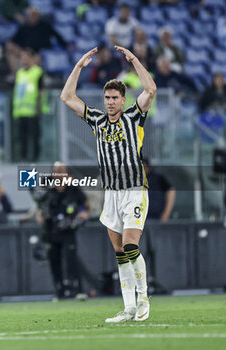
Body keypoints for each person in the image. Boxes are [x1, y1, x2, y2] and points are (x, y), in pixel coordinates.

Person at [60, 45, 157, 322]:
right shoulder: (97, 121)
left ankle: (143, 298)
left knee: (129, 245)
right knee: (118, 251)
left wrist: (135, 60)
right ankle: (128, 308)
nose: (110, 102)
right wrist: (79, 67)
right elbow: (66, 97)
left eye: (115, 97)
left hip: (134, 190)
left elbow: (150, 90)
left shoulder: (133, 117)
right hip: (111, 194)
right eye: (107, 97)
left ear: (124, 100)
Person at [38, 162, 90, 299]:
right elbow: (39, 203)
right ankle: (59, 291)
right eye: (56, 171)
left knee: (71, 260)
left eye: (62, 171)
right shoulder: (48, 189)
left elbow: (86, 206)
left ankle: (77, 290)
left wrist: (83, 214)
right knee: (54, 261)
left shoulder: (73, 188)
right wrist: (40, 214)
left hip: (68, 229)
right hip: (51, 230)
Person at [6, 7, 68, 76]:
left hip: (40, 51)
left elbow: (57, 36)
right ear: (27, 16)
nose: (33, 17)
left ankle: (30, 76)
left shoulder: (45, 26)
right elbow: (13, 40)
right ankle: (16, 75)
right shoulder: (24, 27)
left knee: (36, 57)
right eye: (31, 15)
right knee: (13, 50)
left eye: (35, 15)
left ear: (38, 16)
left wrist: (66, 45)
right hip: (26, 51)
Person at [12, 47, 43, 161]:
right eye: (21, 57)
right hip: (20, 111)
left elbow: (41, 92)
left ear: (31, 58)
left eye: (25, 57)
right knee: (21, 138)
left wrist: (38, 108)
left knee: (34, 136)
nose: (23, 59)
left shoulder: (37, 72)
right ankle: (23, 158)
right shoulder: (19, 73)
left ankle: (35, 159)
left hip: (32, 112)